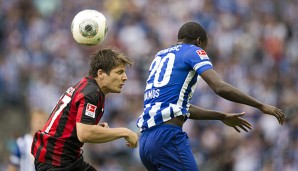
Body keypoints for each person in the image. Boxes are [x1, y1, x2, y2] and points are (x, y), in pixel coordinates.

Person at [136, 21, 285, 171]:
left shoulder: (159, 56)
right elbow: (219, 87)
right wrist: (260, 105)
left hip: (146, 142)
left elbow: (179, 107)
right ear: (199, 41)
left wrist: (221, 116)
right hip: (167, 138)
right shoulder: (194, 50)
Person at [31, 48, 138, 171]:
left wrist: (97, 129)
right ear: (101, 74)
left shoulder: (90, 87)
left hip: (64, 159)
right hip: (56, 162)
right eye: (119, 72)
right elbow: (85, 134)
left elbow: (76, 127)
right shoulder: (92, 92)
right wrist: (124, 132)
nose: (125, 77)